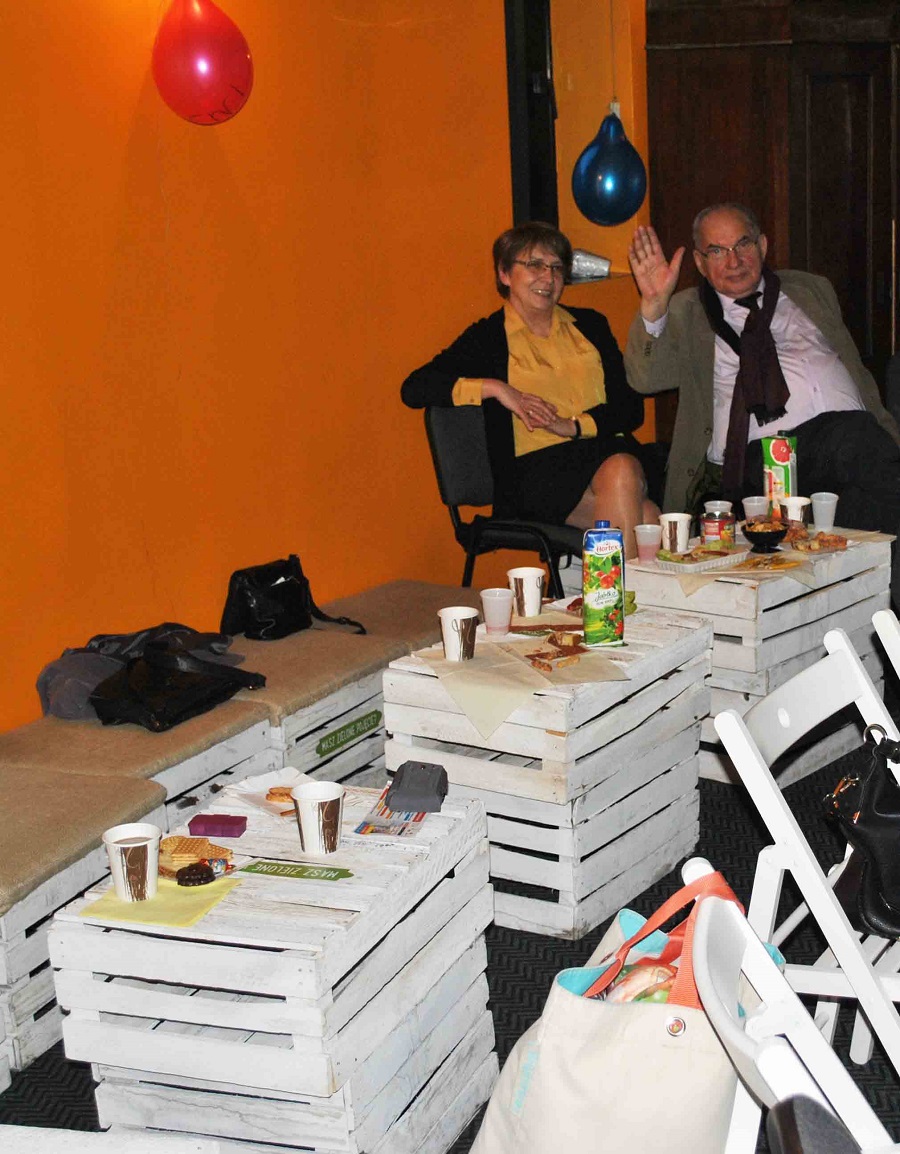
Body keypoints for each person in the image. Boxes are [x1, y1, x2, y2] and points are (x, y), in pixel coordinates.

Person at [624, 204, 900, 542]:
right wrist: (654, 305)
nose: (734, 260)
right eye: (717, 251)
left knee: (872, 513)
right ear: (699, 262)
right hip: (761, 463)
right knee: (856, 436)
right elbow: (645, 378)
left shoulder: (810, 289)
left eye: (743, 244)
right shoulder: (687, 311)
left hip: (851, 457)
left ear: (763, 245)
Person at [402, 222, 658, 557]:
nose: (548, 278)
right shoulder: (488, 338)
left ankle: (606, 591)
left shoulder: (591, 325)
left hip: (603, 454)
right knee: (641, 505)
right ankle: (614, 590)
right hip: (535, 475)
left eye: (556, 268)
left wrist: (574, 425)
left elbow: (630, 408)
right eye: (534, 265)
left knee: (637, 500)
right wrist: (496, 389)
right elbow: (415, 387)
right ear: (505, 274)